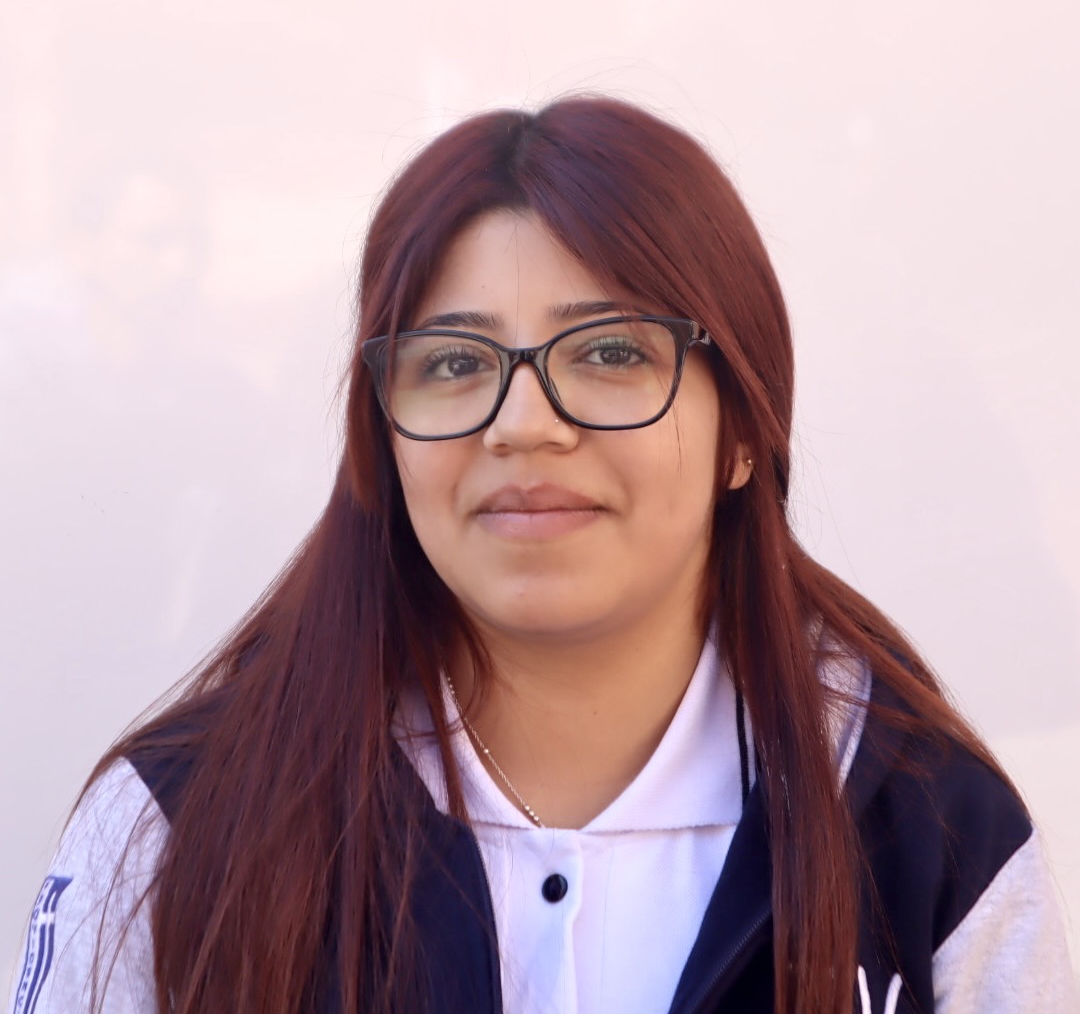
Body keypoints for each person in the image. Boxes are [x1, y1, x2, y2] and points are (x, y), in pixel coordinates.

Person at [7, 96, 1076, 1014]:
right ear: (382, 437)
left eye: (609, 351)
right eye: (453, 362)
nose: (524, 424)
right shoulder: (178, 828)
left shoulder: (929, 827)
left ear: (746, 432)